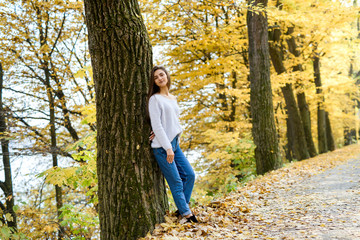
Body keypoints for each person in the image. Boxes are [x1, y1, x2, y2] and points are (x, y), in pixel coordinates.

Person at [146, 65, 198, 223]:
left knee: (189, 175)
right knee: (175, 181)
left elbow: (172, 122)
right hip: (163, 148)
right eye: (156, 77)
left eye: (161, 75)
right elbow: (157, 126)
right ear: (154, 82)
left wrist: (175, 142)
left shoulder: (172, 98)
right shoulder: (154, 99)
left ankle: (183, 209)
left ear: (167, 76)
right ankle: (188, 216)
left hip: (175, 144)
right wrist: (168, 148)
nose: (160, 78)